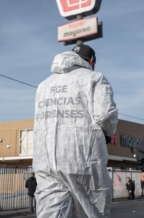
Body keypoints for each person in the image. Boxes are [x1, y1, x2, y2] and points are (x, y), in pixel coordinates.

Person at [33, 44, 118, 218]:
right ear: (92, 60)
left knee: (51, 211)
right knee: (92, 208)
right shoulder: (95, 78)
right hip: (83, 155)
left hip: (46, 158)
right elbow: (105, 116)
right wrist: (108, 134)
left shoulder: (43, 85)